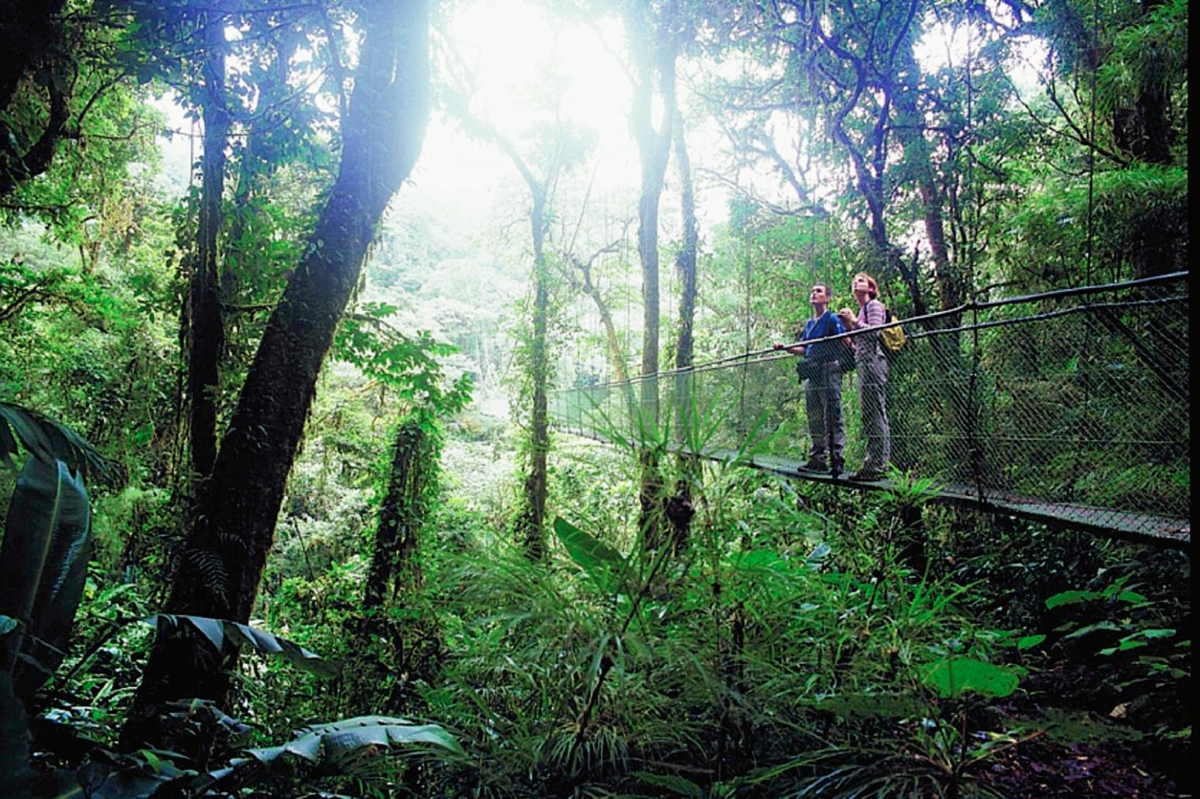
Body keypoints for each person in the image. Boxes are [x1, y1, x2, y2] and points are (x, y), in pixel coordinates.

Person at [774, 283, 848, 476]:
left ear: (827, 298)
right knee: (814, 416)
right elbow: (805, 349)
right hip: (812, 372)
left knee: (832, 414)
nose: (814, 294)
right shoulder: (809, 324)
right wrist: (786, 348)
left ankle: (837, 459)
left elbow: (844, 340)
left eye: (819, 291)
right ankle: (817, 459)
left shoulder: (831, 319)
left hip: (828, 369)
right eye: (813, 291)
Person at [838, 272, 891, 480]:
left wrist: (853, 322)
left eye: (861, 281)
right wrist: (849, 334)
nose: (856, 283)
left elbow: (875, 332)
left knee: (875, 412)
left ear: (870, 288)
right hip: (863, 363)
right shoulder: (861, 311)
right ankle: (877, 463)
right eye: (854, 282)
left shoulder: (874, 306)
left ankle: (877, 464)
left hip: (873, 363)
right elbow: (860, 342)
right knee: (870, 412)